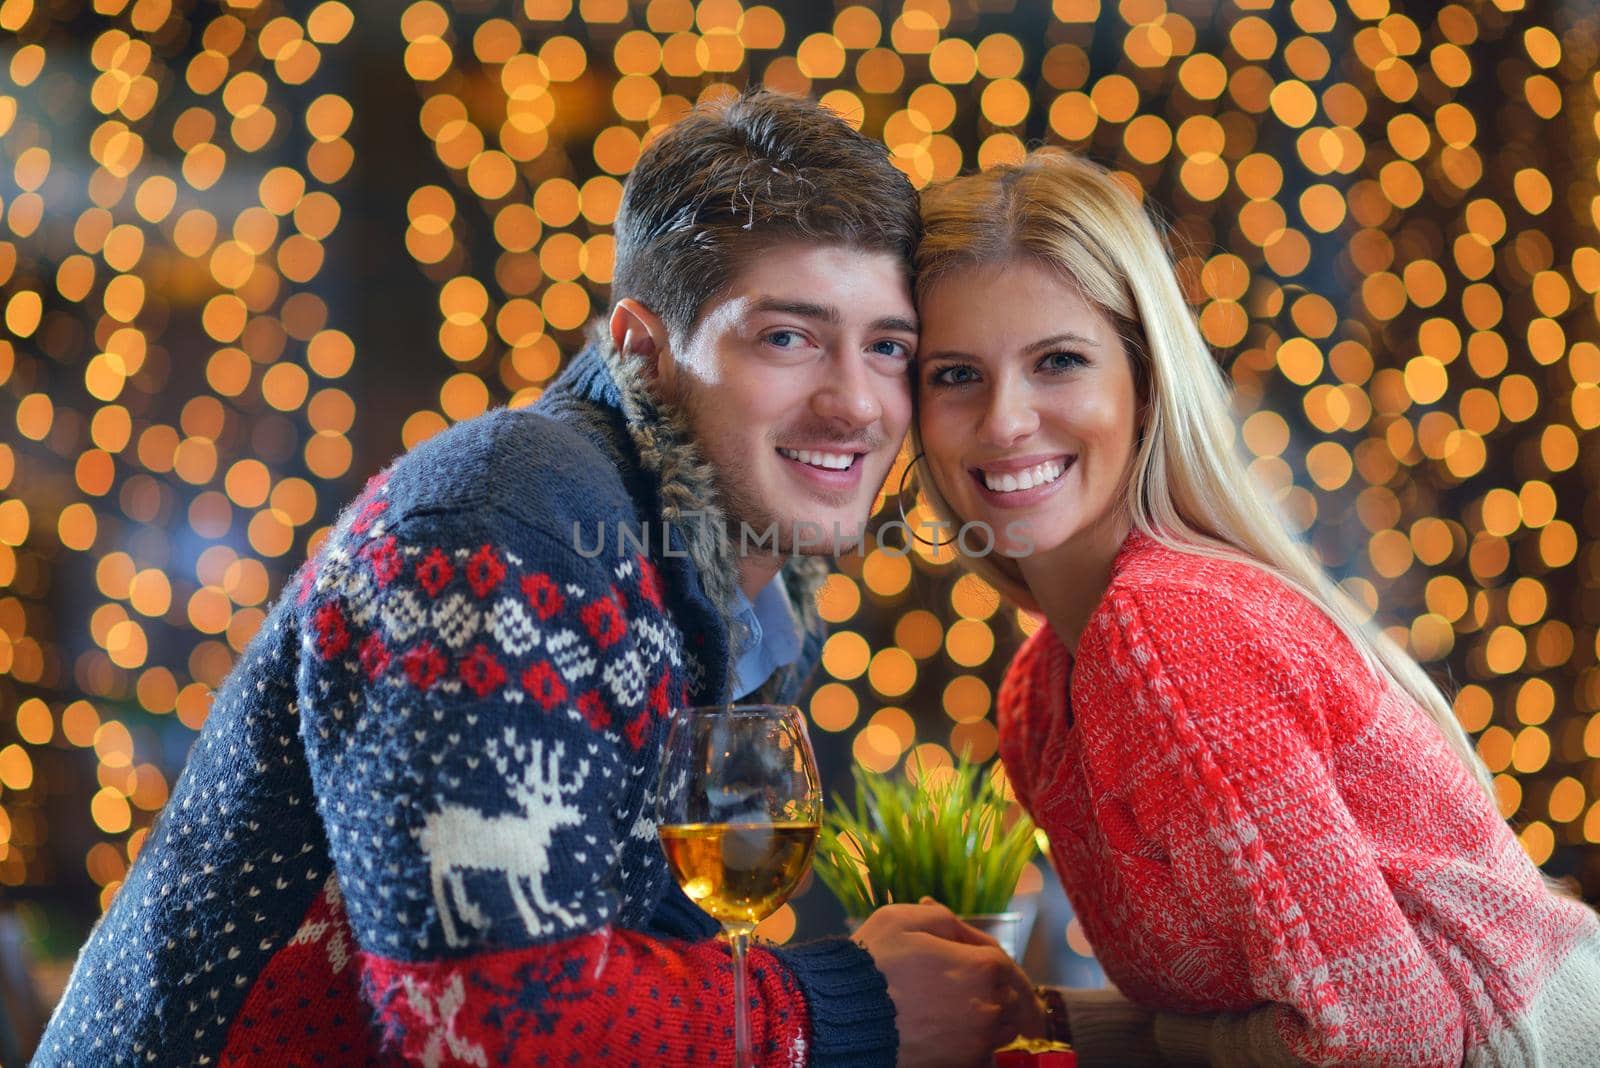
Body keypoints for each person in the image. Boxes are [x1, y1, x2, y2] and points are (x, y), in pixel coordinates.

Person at [37, 90, 1041, 1067]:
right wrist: (852, 1009)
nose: (856, 404)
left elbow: (643, 975)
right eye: (787, 338)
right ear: (645, 354)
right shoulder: (503, 531)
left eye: (888, 348)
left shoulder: (732, 596)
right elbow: (490, 1023)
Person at [909, 149, 1600, 1065]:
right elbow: (1264, 1012)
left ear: (1146, 383)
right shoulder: (1041, 697)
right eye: (955, 375)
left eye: (1059, 362)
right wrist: (1037, 1023)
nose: (1004, 421)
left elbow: (1394, 1043)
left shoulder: (1168, 629)